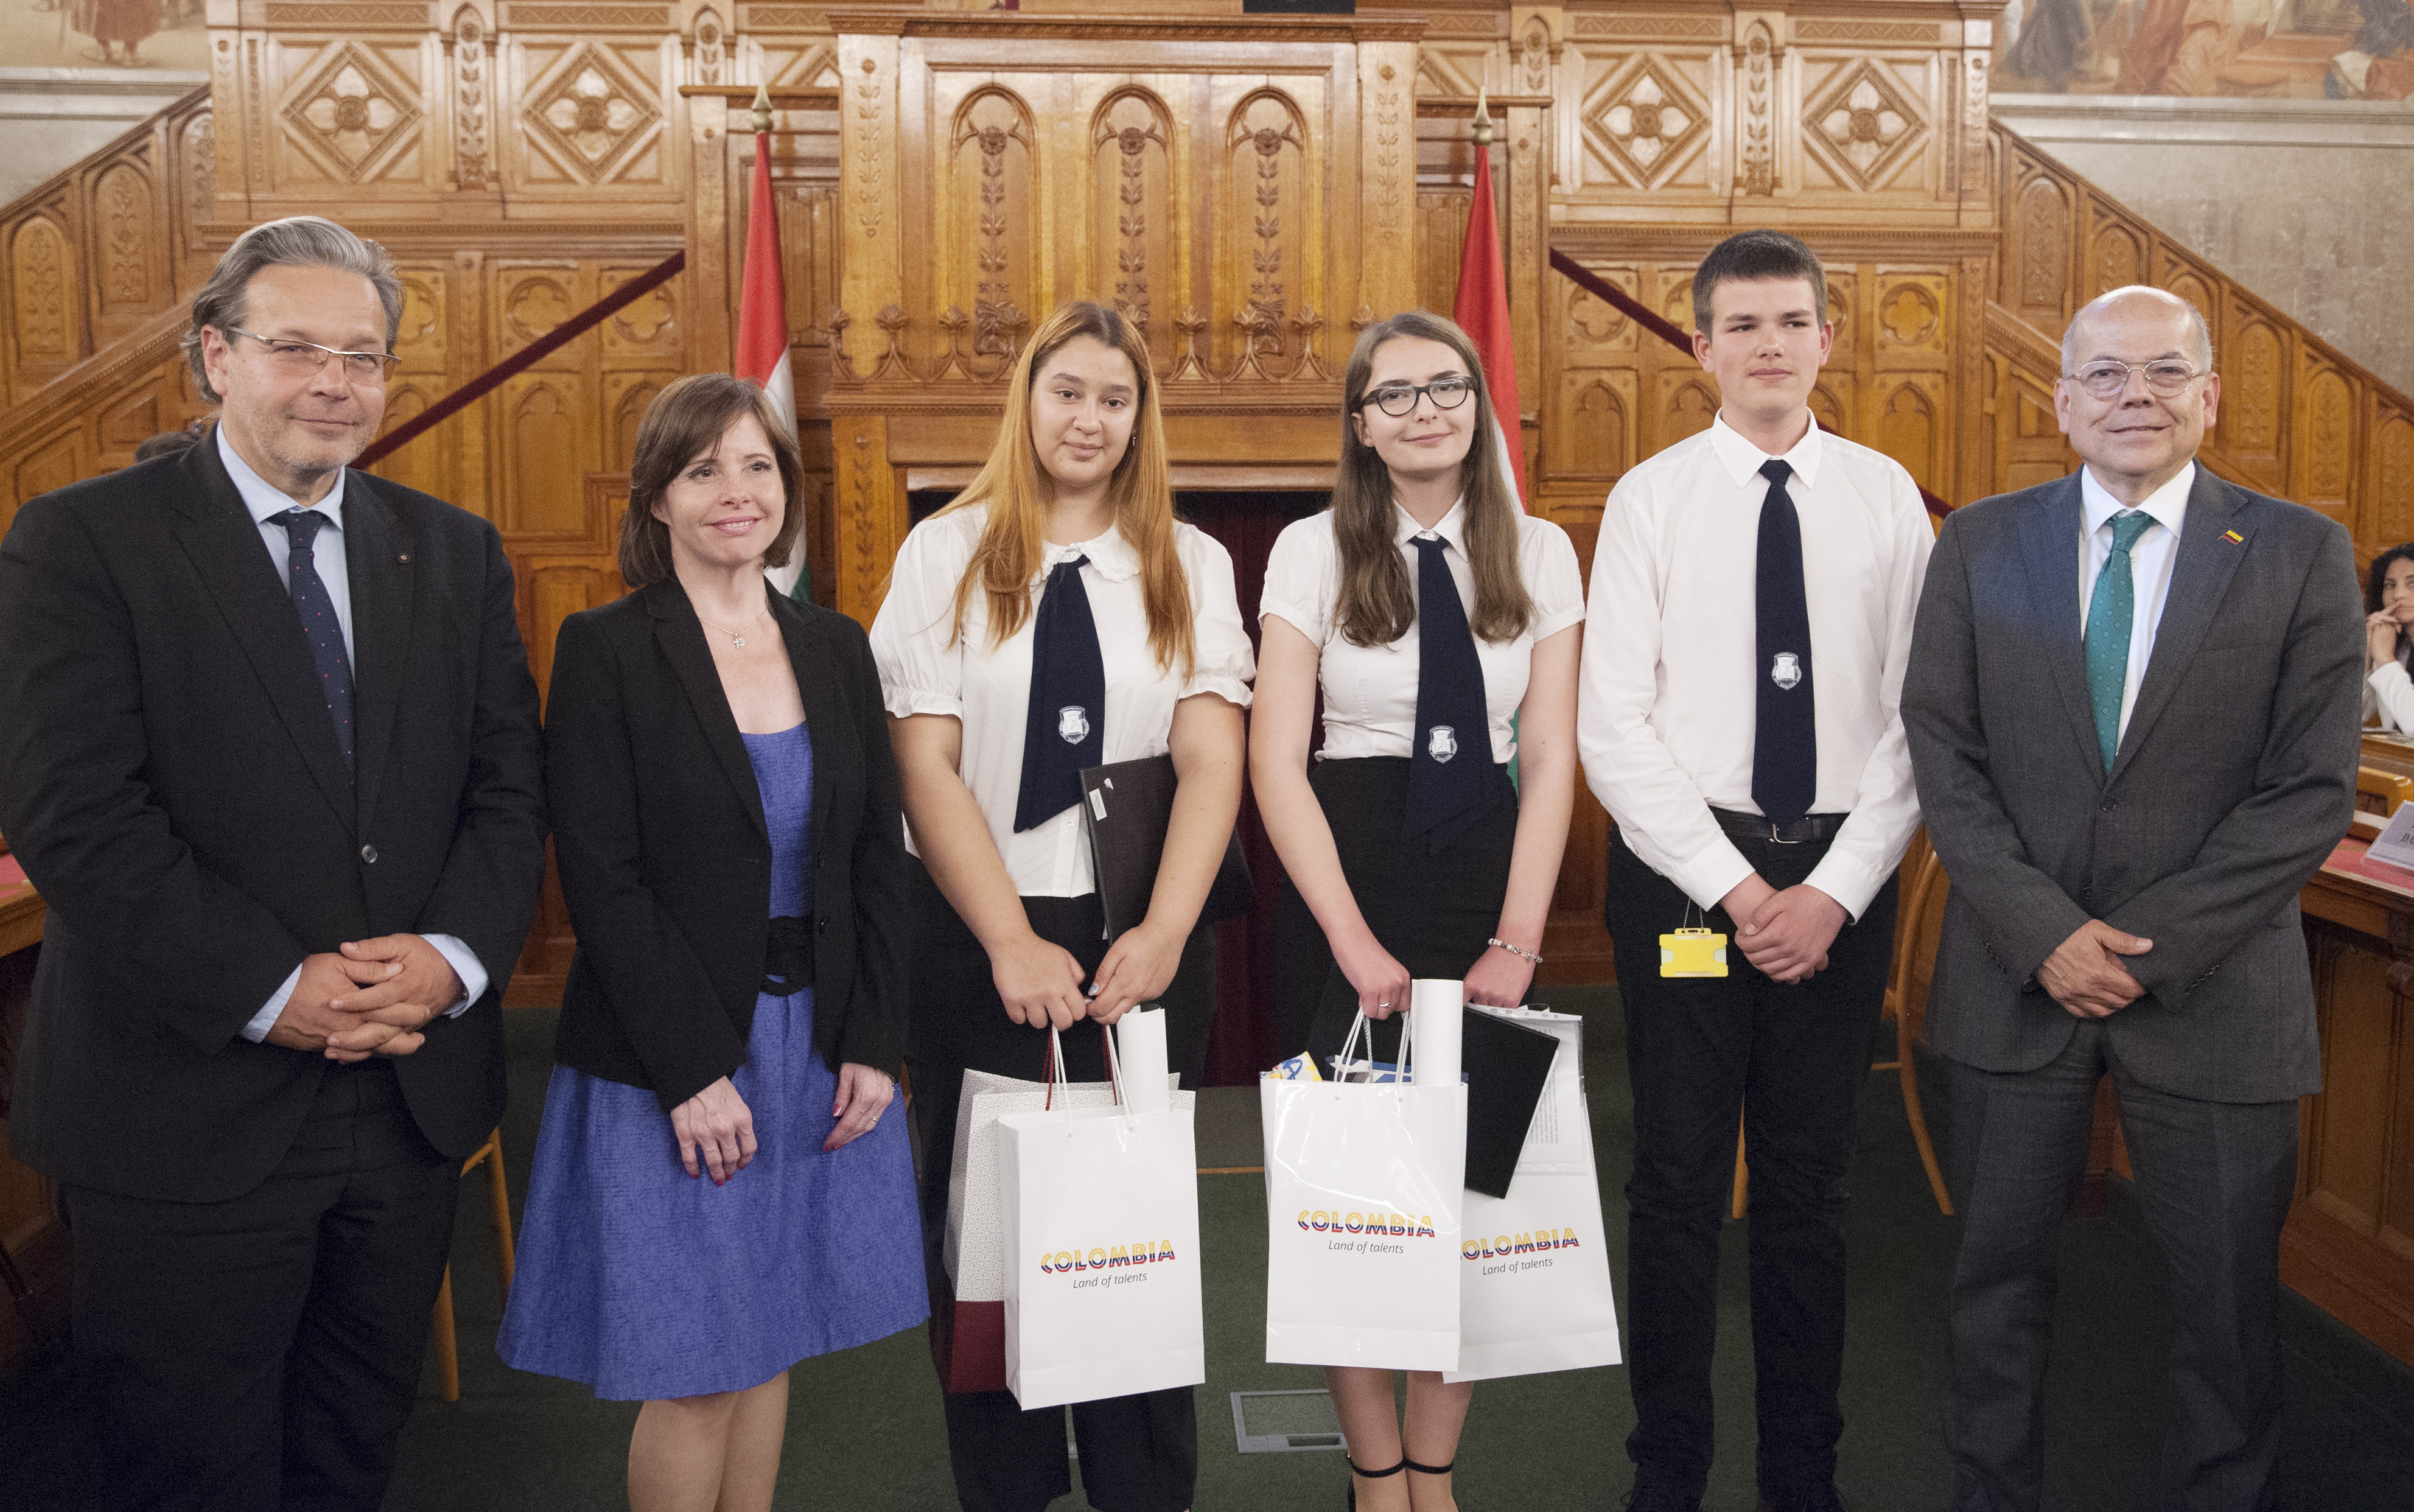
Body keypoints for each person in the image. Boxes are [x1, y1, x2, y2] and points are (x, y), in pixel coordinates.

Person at [0, 215, 548, 1510]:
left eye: (362, 357)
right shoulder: (81, 543)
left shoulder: (453, 550)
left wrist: (452, 960)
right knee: (188, 1466)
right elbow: (76, 814)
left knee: (351, 1447)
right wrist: (271, 986)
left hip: (403, 1103)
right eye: (295, 348)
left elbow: (506, 791)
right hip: (184, 1102)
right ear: (214, 355)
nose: (332, 383)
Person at [1902, 284, 2362, 1511]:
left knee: (2225, 1316)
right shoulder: (1981, 544)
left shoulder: (2301, 552)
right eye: (2106, 375)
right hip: (2017, 981)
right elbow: (1945, 753)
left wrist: (2142, 954)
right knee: (1994, 1296)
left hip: (2213, 995)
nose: (2135, 398)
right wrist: (2050, 934)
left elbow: (2308, 792)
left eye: (2165, 373)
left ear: (2210, 396)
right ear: (2062, 401)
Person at [496, 374, 923, 1510]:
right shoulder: (606, 647)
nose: (736, 492)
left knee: (770, 1331)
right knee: (695, 1367)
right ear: (656, 500)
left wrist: (874, 1040)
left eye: (757, 466)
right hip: (671, 1050)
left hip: (816, 1044)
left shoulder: (834, 645)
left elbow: (878, 857)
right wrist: (693, 1068)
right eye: (703, 470)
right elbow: (602, 876)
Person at [870, 300, 1253, 1512]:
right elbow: (924, 763)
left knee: (1132, 1242)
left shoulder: (1188, 563)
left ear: (1143, 419)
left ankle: (1144, 1488)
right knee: (988, 1248)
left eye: (1117, 398)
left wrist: (1168, 933)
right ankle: (1009, 1488)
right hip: (985, 941)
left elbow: (1211, 759)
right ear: (1027, 402)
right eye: (1070, 392)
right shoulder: (948, 552)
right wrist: (1007, 940)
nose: (1092, 418)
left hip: (1140, 942)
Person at [1577, 229, 1932, 1512]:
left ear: (1827, 339)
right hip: (1685, 880)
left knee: (1808, 1190)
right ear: (1700, 347)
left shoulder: (1889, 497)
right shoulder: (1650, 499)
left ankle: (1803, 1475)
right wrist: (1736, 890)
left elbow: (1917, 717)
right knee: (1673, 1183)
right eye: (1743, 326)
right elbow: (1612, 723)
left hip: (1840, 874)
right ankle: (1665, 1468)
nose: (1769, 346)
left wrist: (1831, 890)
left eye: (1793, 322)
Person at [1253, 310, 1584, 1512]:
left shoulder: (1540, 550)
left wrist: (1521, 939)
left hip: (1488, 882)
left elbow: (1547, 758)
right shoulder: (1312, 551)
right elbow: (1277, 763)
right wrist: (1348, 936)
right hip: (1349, 875)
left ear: (1478, 405)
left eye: (1446, 387)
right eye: (1394, 395)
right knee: (1356, 1201)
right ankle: (1372, 1471)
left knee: (1468, 1197)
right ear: (1361, 426)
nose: (1424, 409)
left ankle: (1433, 1475)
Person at [2363, 541, 2414, 731]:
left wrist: (2385, 659)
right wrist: (2367, 652)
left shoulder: (2387, 654)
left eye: (2413, 583)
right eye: (2389, 585)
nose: (2398, 594)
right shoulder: (2392, 643)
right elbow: (2352, 715)